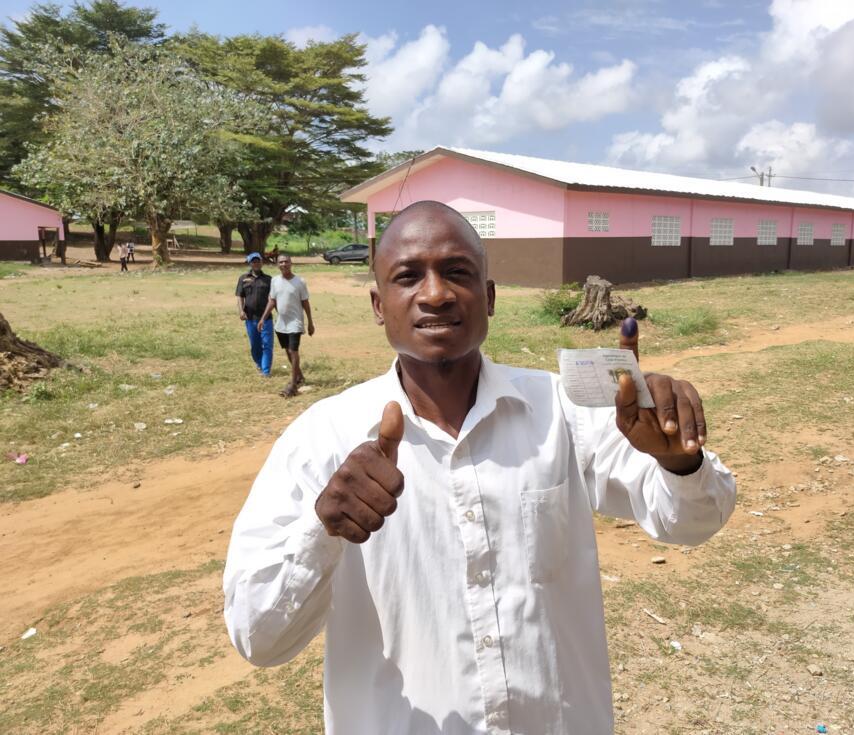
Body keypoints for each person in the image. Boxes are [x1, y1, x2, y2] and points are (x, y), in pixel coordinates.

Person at [224, 201, 736, 735]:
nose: (436, 293)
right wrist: (321, 529)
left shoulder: (560, 410)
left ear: (489, 297)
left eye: (457, 272)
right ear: (379, 305)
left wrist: (677, 459)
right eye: (408, 276)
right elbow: (258, 637)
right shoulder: (321, 437)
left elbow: (693, 521)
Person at [258, 254, 314, 397]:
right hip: (281, 323)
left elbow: (305, 303)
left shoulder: (299, 282)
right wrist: (263, 318)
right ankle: (300, 376)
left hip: (295, 322)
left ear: (291, 263)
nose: (284, 264)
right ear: (277, 264)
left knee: (293, 351)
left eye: (286, 261)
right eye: (281, 262)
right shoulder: (275, 281)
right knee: (288, 351)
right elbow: (272, 301)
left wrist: (310, 322)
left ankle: (293, 384)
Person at [235, 252, 274, 376]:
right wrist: (241, 311)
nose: (256, 263)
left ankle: (266, 371)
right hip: (250, 318)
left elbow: (273, 299)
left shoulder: (269, 279)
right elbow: (240, 296)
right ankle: (259, 363)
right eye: (253, 261)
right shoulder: (243, 278)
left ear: (262, 262)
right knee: (255, 344)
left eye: (258, 261)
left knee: (267, 344)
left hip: (266, 318)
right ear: (250, 263)